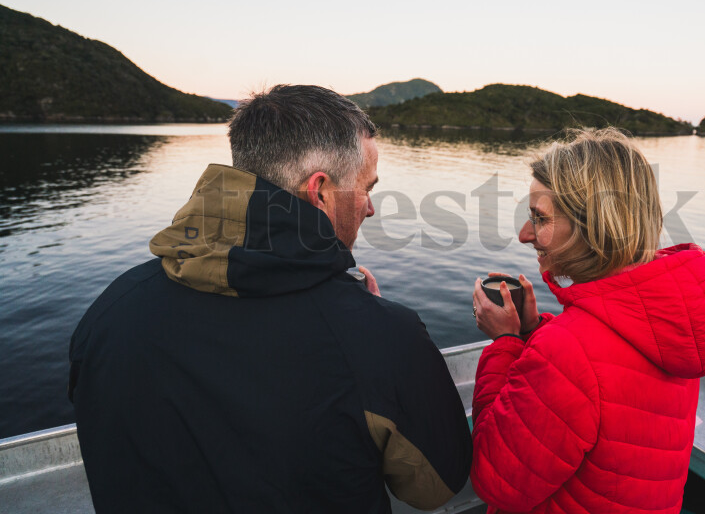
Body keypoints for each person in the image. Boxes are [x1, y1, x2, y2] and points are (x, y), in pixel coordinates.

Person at [69, 85, 472, 513]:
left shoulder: (110, 311)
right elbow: (436, 487)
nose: (370, 208)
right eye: (366, 188)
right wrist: (377, 329)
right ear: (320, 192)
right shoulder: (384, 337)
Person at [470, 127, 705, 514]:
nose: (523, 234)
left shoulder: (569, 350)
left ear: (592, 225)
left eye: (539, 218)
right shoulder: (674, 321)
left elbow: (496, 481)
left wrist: (505, 344)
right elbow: (615, 383)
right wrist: (536, 332)